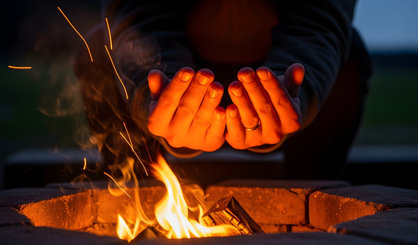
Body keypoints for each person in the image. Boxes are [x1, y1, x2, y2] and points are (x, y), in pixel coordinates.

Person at [75, 0, 372, 181]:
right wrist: (155, 89)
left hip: (279, 76)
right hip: (175, 70)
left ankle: (314, 206)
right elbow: (138, 11)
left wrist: (299, 92)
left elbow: (320, 18)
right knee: (99, 48)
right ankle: (132, 202)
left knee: (349, 53)